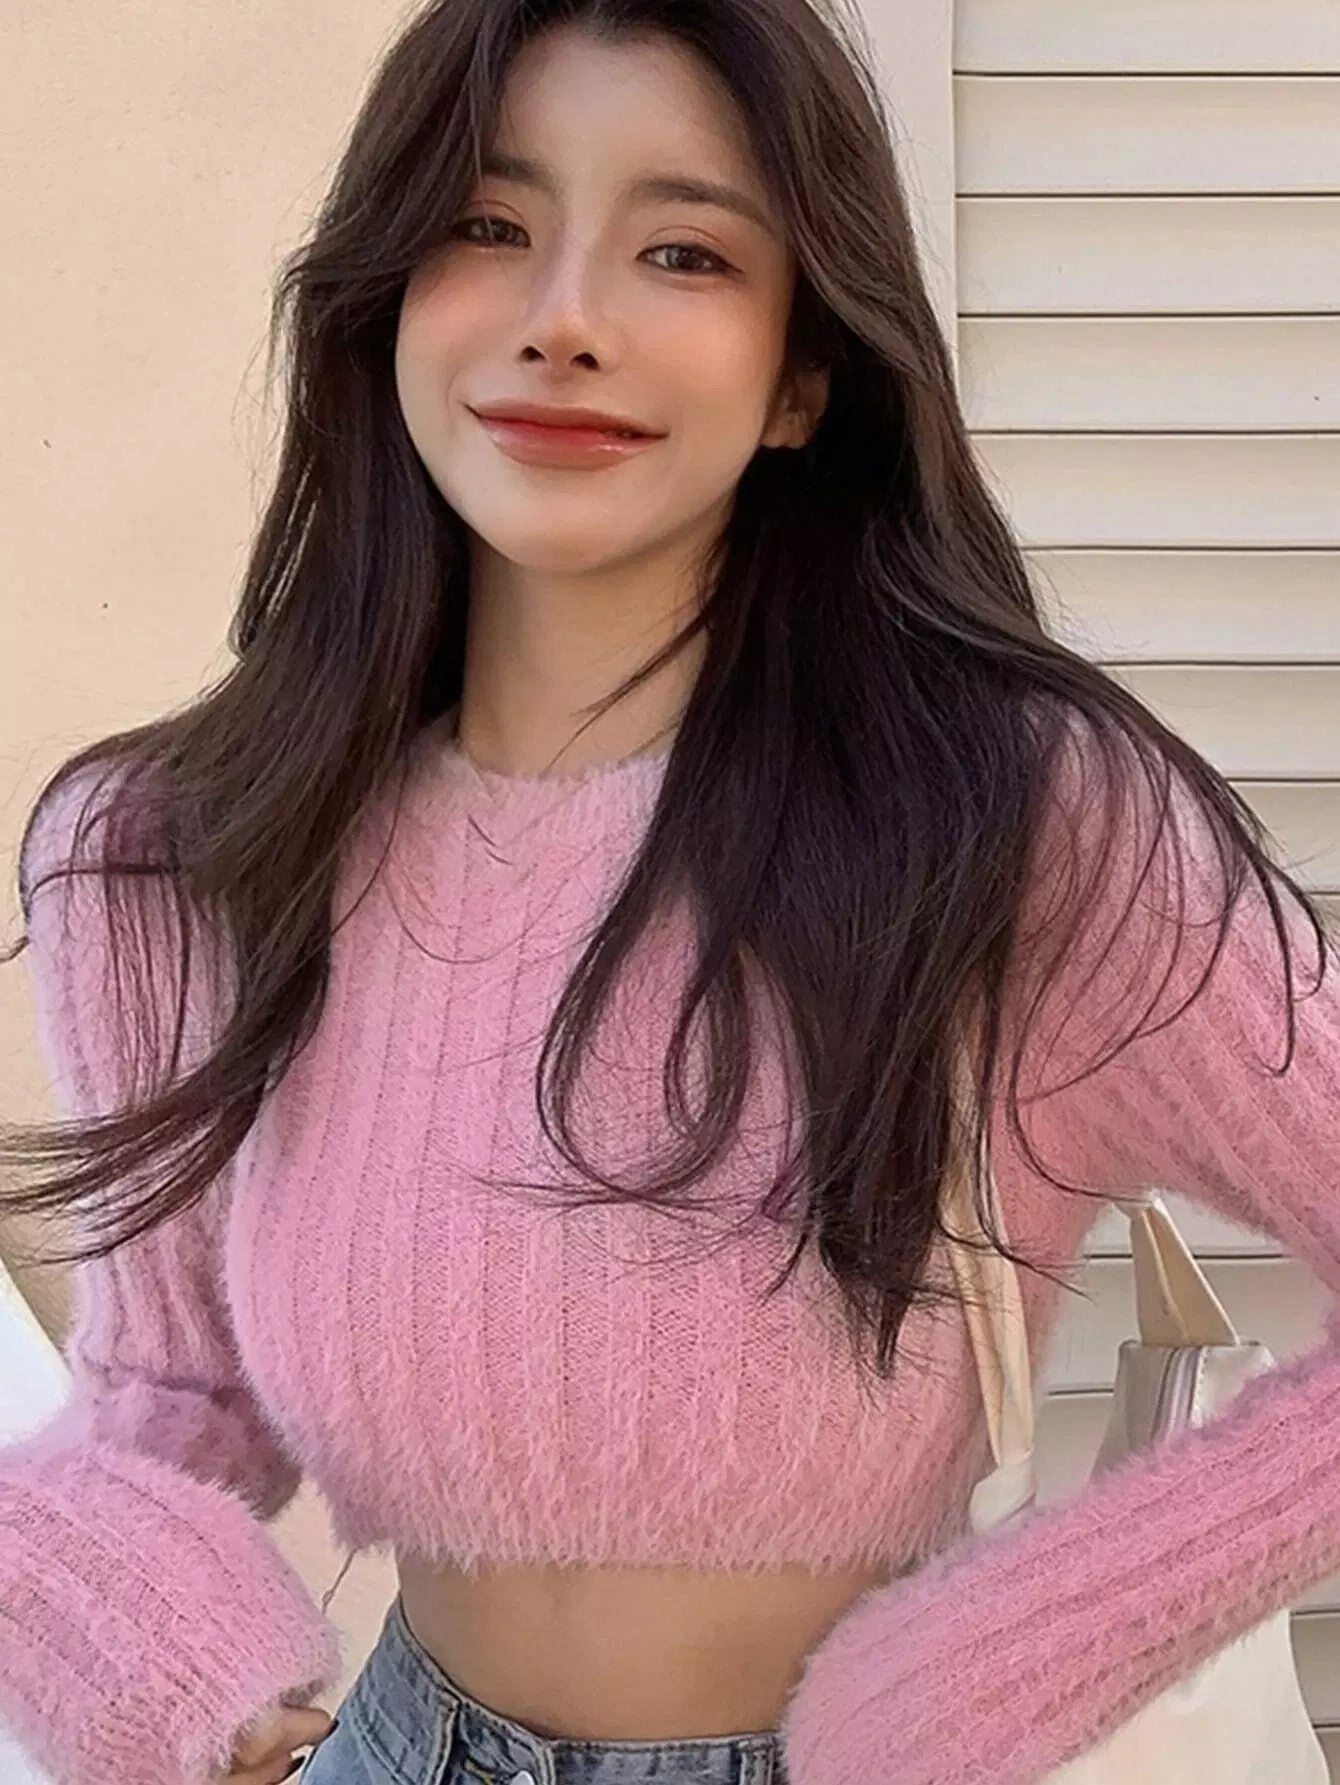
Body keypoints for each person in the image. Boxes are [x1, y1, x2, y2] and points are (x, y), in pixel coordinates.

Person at [2, 1, 1338, 1782]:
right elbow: (172, 1395)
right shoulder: (181, 849)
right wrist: (139, 1659)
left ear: (803, 375)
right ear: (386, 301)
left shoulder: (1017, 825)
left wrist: (1003, 1654)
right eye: (488, 224)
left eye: (685, 250)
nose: (563, 319)